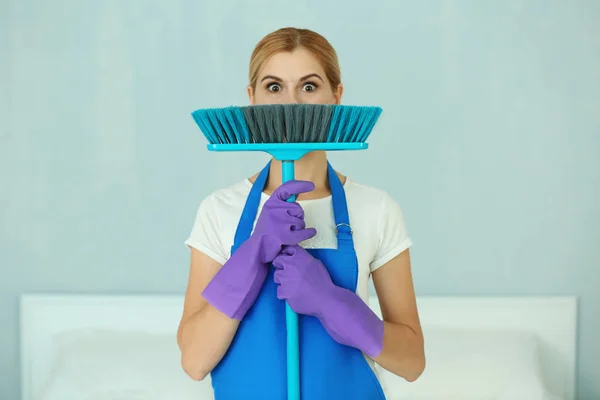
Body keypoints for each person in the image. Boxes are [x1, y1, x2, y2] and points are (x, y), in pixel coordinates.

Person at [177, 27, 425, 399]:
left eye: (309, 86)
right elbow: (194, 361)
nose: (291, 103)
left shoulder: (375, 209)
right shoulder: (219, 210)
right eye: (273, 87)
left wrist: (332, 303)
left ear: (336, 96)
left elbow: (411, 362)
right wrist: (253, 254)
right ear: (252, 99)